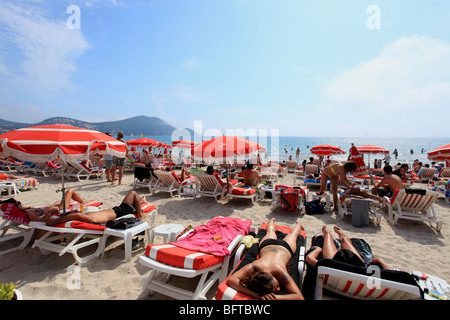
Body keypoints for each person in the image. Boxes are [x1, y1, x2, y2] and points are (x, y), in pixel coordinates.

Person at [226, 218, 305, 300]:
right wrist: (256, 294)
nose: (279, 289)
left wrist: (271, 297)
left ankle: (290, 224)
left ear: (269, 274)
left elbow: (299, 297)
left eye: (277, 286)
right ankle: (292, 224)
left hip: (283, 247)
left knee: (292, 234)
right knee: (284, 233)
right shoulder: (256, 265)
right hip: (272, 246)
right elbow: (231, 280)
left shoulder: (279, 271)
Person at [306, 225, 392, 270]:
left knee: (328, 236)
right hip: (359, 268)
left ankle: (326, 232)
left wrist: (319, 249)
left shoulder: (329, 267)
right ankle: (341, 235)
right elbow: (379, 262)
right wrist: (382, 264)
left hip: (335, 266)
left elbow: (309, 258)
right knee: (346, 241)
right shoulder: (365, 271)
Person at [44, 190, 148, 226]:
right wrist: (55, 221)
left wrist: (53, 211)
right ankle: (140, 215)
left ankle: (141, 201)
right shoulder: (85, 218)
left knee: (133, 197)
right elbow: (75, 215)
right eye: (72, 212)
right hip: (121, 212)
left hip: (116, 210)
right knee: (133, 193)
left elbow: (73, 214)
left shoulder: (84, 216)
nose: (74, 210)